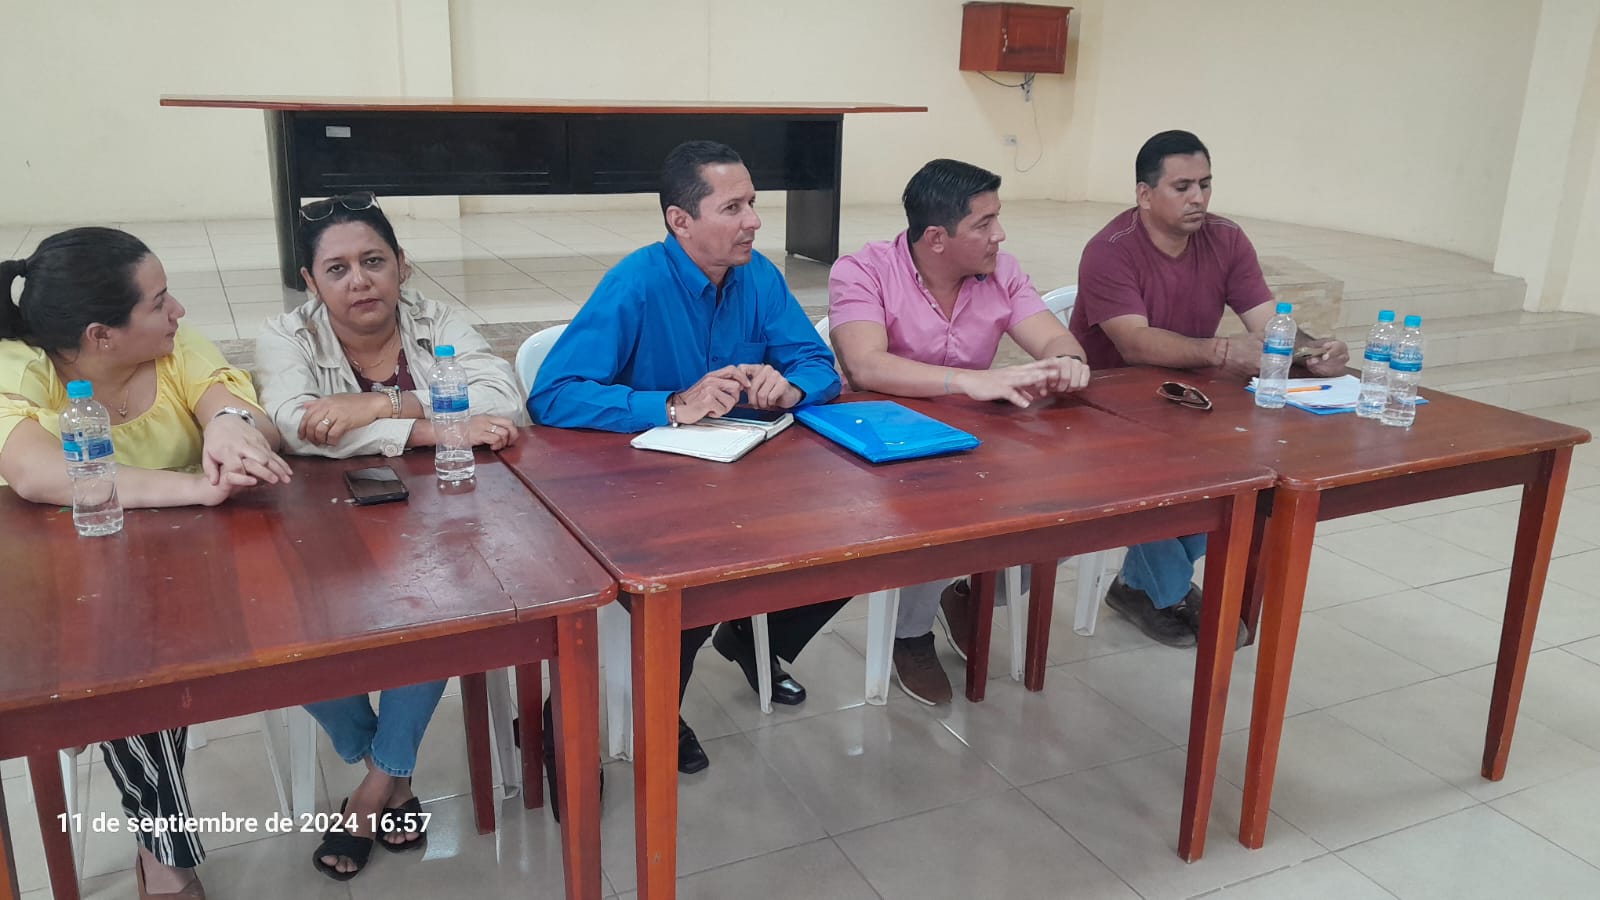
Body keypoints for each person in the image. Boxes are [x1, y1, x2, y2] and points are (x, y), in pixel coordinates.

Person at [529, 140, 848, 773]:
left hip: (741, 479)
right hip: (646, 492)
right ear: (680, 220)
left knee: (847, 541)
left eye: (752, 203)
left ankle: (747, 636)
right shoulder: (637, 283)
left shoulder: (759, 276)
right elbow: (552, 394)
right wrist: (672, 405)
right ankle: (638, 713)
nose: (754, 221)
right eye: (733, 208)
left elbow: (815, 362)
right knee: (694, 583)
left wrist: (791, 386)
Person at [1, 227, 292, 899]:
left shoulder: (173, 347)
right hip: (63, 588)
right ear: (100, 335)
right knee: (128, 657)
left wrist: (231, 425)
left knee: (147, 654)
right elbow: (36, 473)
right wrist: (196, 488)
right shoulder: (20, 367)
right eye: (159, 302)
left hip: (190, 575)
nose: (178, 311)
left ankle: (158, 847)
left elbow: (243, 410)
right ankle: (165, 856)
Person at [252, 193, 527, 879]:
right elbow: (295, 428)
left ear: (402, 265)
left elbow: (503, 399)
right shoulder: (286, 335)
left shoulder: (436, 319)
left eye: (374, 261)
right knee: (282, 624)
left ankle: (373, 788)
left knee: (445, 604)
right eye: (337, 269)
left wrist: (378, 403)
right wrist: (433, 428)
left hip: (444, 514)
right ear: (311, 282)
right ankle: (391, 775)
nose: (360, 281)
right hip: (324, 525)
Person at [1068, 130, 1349, 647]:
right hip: (1106, 406)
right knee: (1157, 474)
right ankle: (1166, 591)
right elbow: (1134, 343)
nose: (1198, 198)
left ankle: (1142, 587)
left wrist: (1313, 351)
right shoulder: (1110, 250)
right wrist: (1222, 352)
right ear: (1144, 194)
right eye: (1182, 187)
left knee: (1246, 468)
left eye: (1205, 184)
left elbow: (1268, 324)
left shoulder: (1226, 239)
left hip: (1189, 399)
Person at [828, 158, 1091, 704]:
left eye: (998, 218)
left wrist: (1066, 362)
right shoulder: (863, 271)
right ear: (936, 238)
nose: (1000, 234)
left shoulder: (1002, 272)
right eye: (984, 223)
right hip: (881, 446)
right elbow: (866, 366)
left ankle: (970, 597)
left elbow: (1053, 339)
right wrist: (967, 381)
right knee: (943, 510)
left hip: (972, 440)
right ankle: (909, 635)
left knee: (1073, 511)